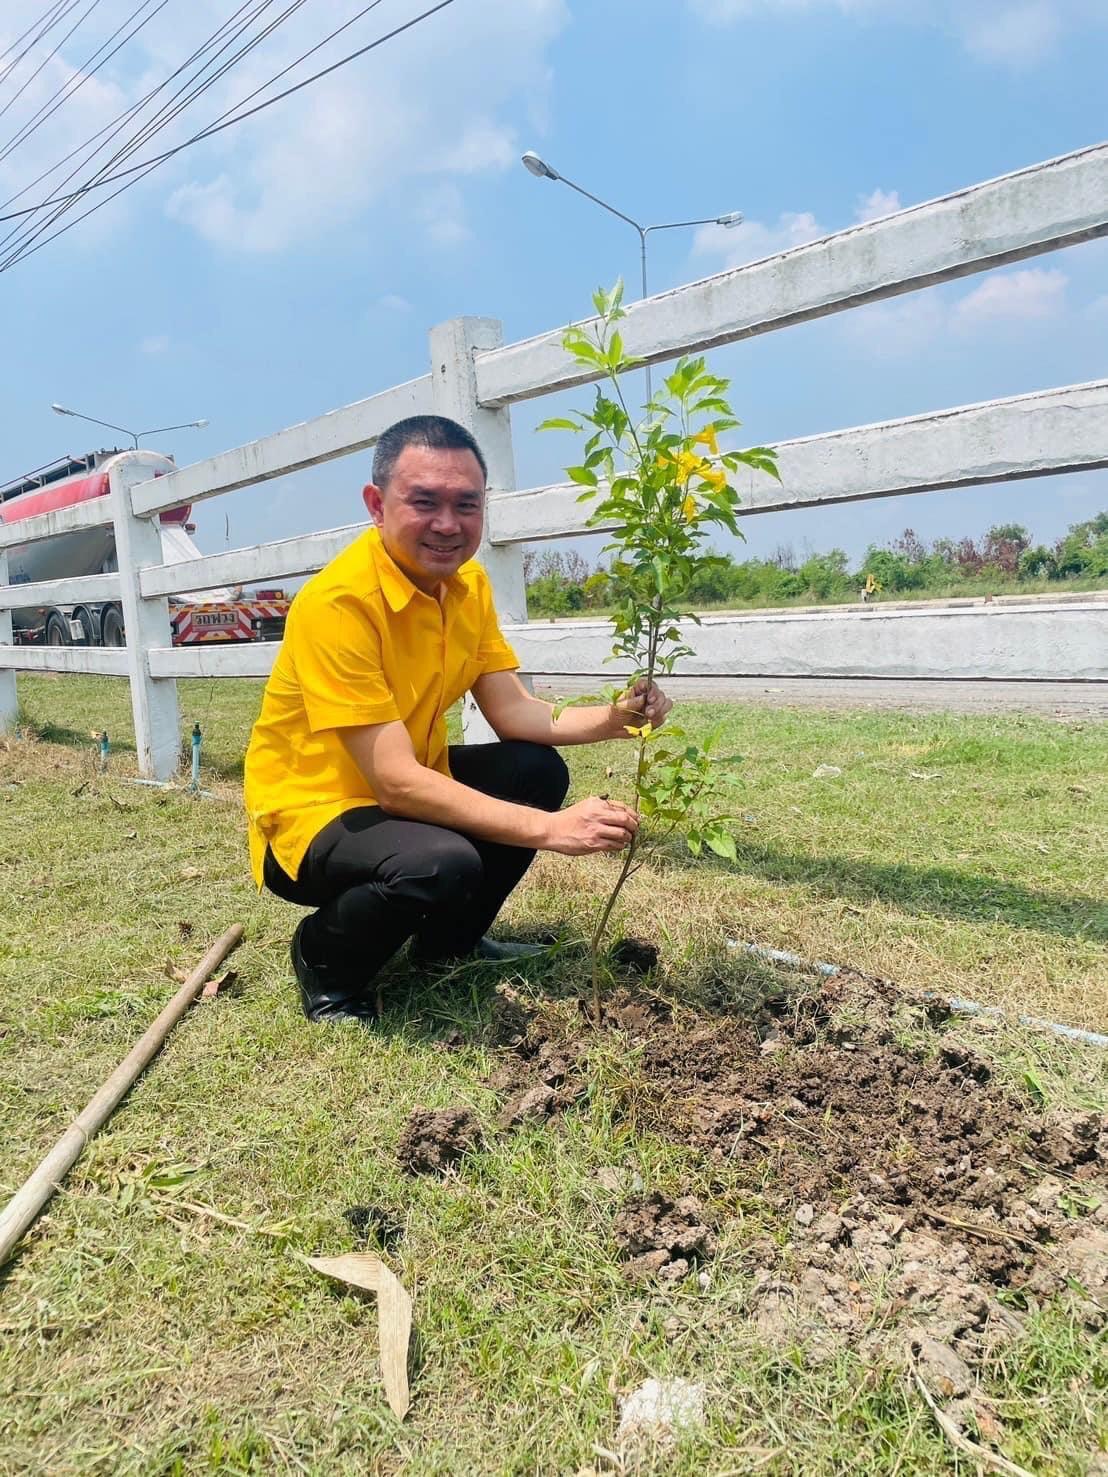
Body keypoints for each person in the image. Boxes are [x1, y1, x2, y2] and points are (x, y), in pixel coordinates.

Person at [244, 415, 672, 1024]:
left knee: (533, 769)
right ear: (376, 504)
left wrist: (616, 718)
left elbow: (514, 712)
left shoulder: (467, 585)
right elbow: (394, 782)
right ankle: (325, 961)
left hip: (400, 793)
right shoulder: (339, 605)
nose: (448, 524)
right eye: (425, 502)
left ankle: (449, 946)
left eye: (466, 505)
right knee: (440, 861)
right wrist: (553, 831)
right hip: (315, 814)